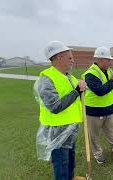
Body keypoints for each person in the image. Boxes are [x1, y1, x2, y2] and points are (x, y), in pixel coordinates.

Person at [34, 41, 86, 180]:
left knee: (70, 157)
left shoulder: (69, 76)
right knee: (61, 162)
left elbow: (78, 97)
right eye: (69, 58)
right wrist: (76, 91)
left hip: (70, 126)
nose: (73, 61)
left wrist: (82, 88)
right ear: (58, 58)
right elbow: (55, 106)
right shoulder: (47, 79)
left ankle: (71, 177)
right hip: (57, 130)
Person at [82, 47, 113, 164]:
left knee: (111, 131)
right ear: (100, 59)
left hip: (108, 109)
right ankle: (97, 152)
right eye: (108, 60)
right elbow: (100, 91)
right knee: (94, 135)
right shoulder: (90, 74)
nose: (110, 62)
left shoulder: (109, 70)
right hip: (94, 111)